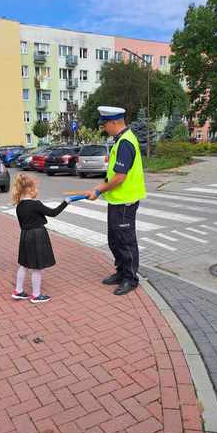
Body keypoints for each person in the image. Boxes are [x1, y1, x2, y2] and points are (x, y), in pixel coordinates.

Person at [84, 106, 146, 295]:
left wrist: (98, 190)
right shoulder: (120, 141)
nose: (104, 129)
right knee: (115, 239)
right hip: (117, 201)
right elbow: (112, 174)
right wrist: (100, 189)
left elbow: (120, 177)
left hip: (125, 202)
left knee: (126, 241)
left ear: (114, 122)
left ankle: (130, 279)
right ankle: (121, 272)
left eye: (105, 125)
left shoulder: (125, 142)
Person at [12, 173, 68, 303]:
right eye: (36, 188)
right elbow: (53, 213)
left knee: (24, 265)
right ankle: (36, 295)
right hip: (37, 235)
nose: (37, 190)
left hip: (25, 235)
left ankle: (18, 291)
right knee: (37, 267)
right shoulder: (35, 204)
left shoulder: (19, 205)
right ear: (30, 189)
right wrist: (66, 202)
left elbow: (22, 224)